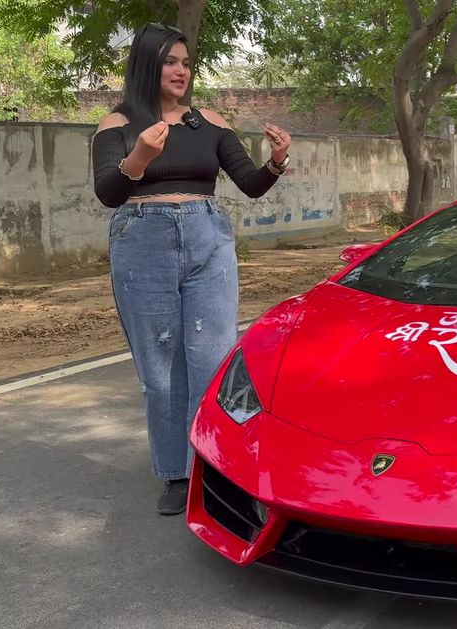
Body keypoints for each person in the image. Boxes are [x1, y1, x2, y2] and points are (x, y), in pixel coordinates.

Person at [91, 23, 292, 515]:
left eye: (185, 62)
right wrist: (138, 156)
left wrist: (276, 162)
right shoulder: (115, 124)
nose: (181, 70)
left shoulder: (210, 121)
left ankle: (212, 464)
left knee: (212, 360)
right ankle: (176, 472)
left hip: (207, 238)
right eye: (170, 62)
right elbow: (108, 193)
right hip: (142, 240)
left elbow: (248, 183)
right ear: (146, 65)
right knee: (160, 370)